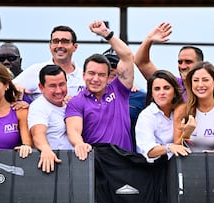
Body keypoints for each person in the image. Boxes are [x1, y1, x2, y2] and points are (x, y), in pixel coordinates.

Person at [65, 20, 134, 160]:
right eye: (91, 73)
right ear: (83, 75)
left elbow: (127, 56)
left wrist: (106, 34)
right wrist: (79, 144)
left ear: (109, 77)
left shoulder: (119, 89)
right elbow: (73, 130)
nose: (96, 79)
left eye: (101, 75)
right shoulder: (76, 101)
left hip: (126, 162)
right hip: (96, 164)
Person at [13, 25, 84, 102]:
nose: (59, 45)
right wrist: (15, 87)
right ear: (50, 46)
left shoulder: (85, 76)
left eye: (65, 41)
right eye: (56, 41)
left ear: (75, 47)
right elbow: (6, 88)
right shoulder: (36, 70)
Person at [135, 22, 203, 98]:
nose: (183, 66)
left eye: (188, 62)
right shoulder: (172, 84)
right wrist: (148, 40)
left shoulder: (211, 87)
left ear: (200, 65)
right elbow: (141, 63)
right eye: (180, 62)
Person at [135, 70, 191, 163]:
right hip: (154, 170)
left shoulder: (180, 112)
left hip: (179, 165)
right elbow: (148, 151)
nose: (161, 93)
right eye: (157, 89)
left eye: (166, 88)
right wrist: (169, 147)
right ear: (152, 93)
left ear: (175, 92)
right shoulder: (147, 115)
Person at [173, 61, 214, 152]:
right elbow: (176, 148)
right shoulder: (182, 110)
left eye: (205, 80)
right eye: (195, 80)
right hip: (189, 164)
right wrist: (186, 134)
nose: (200, 85)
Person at [28, 64, 73, 173]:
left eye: (62, 84)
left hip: (75, 164)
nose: (58, 91)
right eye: (52, 86)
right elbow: (38, 133)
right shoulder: (39, 106)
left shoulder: (71, 103)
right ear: (41, 87)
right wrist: (45, 149)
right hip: (52, 166)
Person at [103, 47, 146, 152]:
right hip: (98, 159)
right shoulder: (87, 97)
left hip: (129, 159)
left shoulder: (140, 97)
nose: (111, 68)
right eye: (107, 65)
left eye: (116, 64)